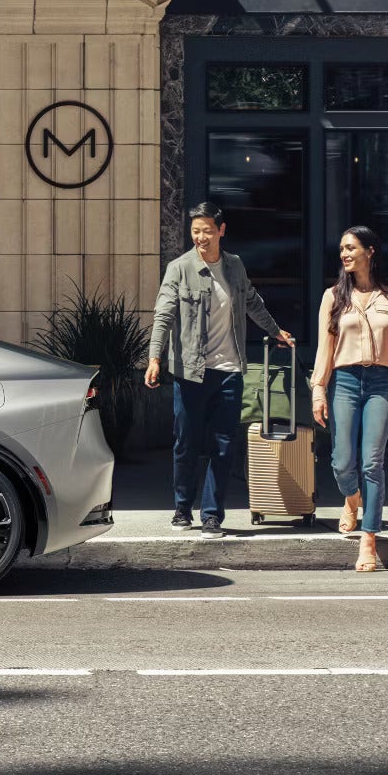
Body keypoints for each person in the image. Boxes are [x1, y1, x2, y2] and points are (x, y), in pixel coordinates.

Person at [146, 203, 295, 539]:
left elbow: (252, 301)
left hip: (229, 370)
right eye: (195, 231)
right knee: (186, 443)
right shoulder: (179, 268)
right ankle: (183, 508)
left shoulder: (235, 266)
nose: (201, 237)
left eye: (208, 231)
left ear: (221, 230)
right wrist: (155, 357)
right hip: (191, 372)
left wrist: (274, 330)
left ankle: (212, 515)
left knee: (224, 445)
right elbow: (164, 315)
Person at [310, 226, 388, 573]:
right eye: (342, 249)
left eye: (351, 248)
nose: (344, 254)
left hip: (381, 382)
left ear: (370, 251)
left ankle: (369, 539)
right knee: (342, 463)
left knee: (372, 463)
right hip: (345, 381)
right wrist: (318, 389)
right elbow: (325, 348)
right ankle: (352, 498)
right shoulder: (333, 297)